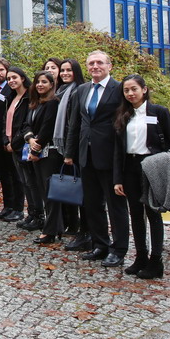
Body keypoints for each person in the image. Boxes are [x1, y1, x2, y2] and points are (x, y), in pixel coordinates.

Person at [113, 75, 170, 279]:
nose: (130, 93)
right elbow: (118, 149)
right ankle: (141, 256)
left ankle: (156, 260)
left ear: (144, 89)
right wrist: (117, 179)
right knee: (135, 213)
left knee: (153, 213)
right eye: (126, 90)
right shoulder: (123, 114)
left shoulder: (159, 112)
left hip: (153, 166)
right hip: (130, 167)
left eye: (134, 89)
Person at [65, 50, 129, 268]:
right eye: (91, 63)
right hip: (86, 155)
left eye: (99, 62)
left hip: (111, 156)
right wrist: (69, 153)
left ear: (109, 66)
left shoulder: (119, 89)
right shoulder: (82, 90)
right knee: (92, 204)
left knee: (115, 205)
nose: (95, 66)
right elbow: (75, 124)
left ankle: (119, 250)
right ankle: (100, 244)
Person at [54, 59, 90, 251]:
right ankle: (75, 226)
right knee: (70, 189)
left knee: (81, 192)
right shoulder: (61, 91)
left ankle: (85, 231)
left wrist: (69, 152)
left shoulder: (78, 91)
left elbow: (74, 125)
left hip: (75, 148)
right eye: (62, 70)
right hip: (64, 147)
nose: (65, 73)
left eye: (69, 70)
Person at [22, 70, 61, 243]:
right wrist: (30, 139)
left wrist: (35, 150)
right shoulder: (35, 103)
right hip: (36, 150)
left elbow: (47, 128)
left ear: (52, 84)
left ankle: (50, 231)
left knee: (51, 193)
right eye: (37, 82)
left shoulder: (53, 103)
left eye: (44, 82)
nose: (40, 85)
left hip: (49, 154)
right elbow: (26, 125)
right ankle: (54, 228)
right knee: (44, 192)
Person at [0, 57, 23, 222]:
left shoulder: (12, 89)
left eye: (1, 70)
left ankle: (18, 208)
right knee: (3, 174)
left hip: (10, 139)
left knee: (15, 174)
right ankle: (7, 206)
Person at [3, 66, 33, 227]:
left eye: (14, 77)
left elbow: (27, 124)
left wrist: (14, 143)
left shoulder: (30, 97)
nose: (11, 81)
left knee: (28, 181)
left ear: (22, 78)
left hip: (23, 145)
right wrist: (6, 141)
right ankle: (30, 214)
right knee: (21, 179)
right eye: (8, 79)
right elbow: (5, 120)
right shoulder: (12, 96)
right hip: (11, 143)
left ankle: (34, 213)